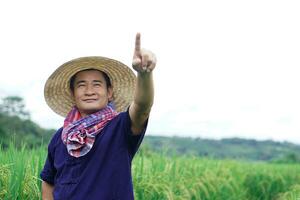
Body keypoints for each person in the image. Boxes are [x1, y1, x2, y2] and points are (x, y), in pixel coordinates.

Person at [40, 33, 156, 200]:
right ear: (73, 94)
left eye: (97, 84)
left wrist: (144, 74)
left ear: (109, 92)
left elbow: (142, 107)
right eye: (81, 85)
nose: (89, 91)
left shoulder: (120, 127)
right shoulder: (60, 137)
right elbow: (49, 181)